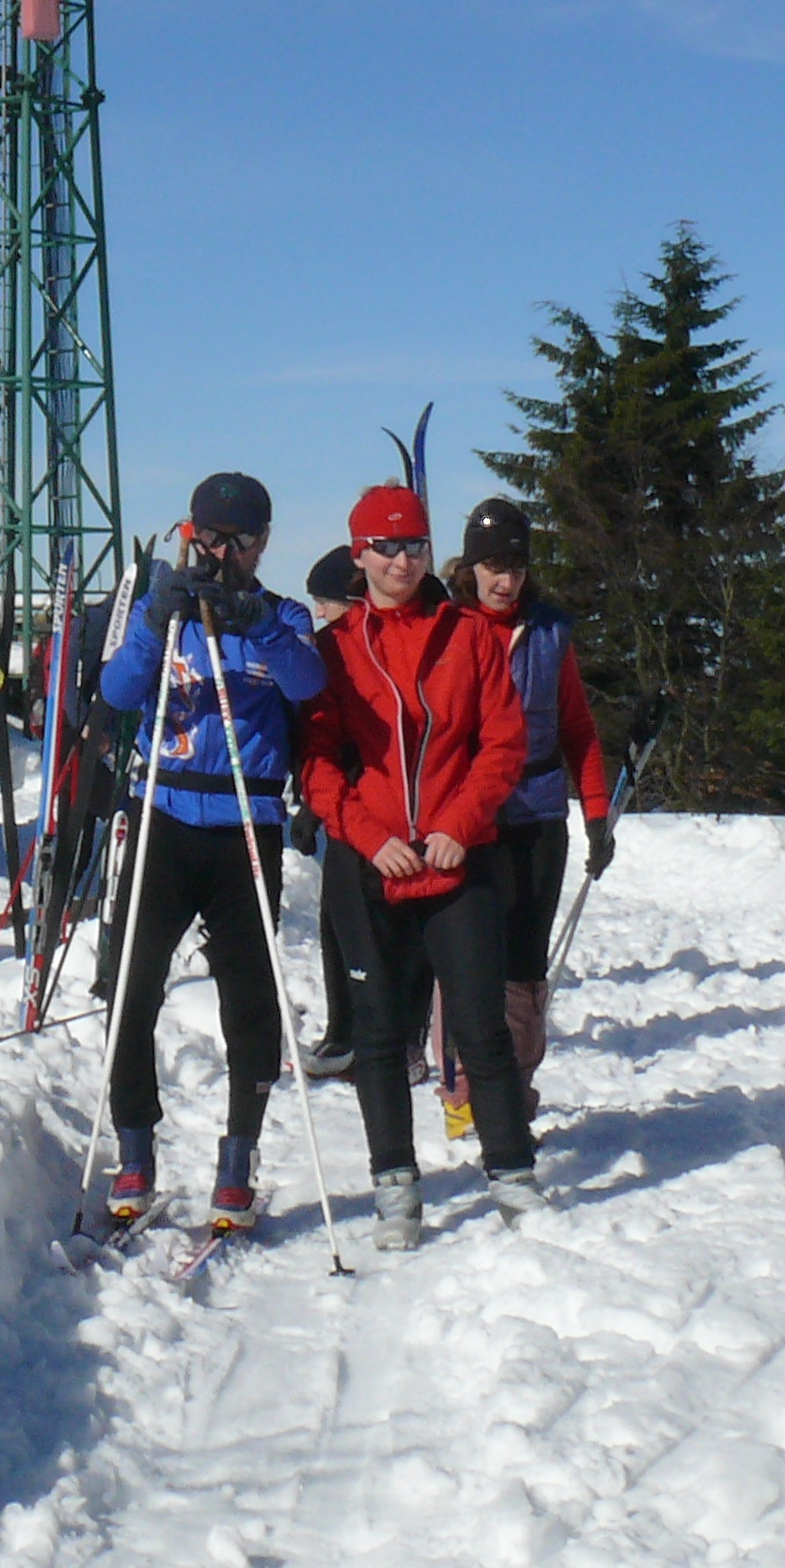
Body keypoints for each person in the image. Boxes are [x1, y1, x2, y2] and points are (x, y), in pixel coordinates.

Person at [299, 482, 534, 1252]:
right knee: (376, 1031)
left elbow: (502, 744)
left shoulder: (468, 635)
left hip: (457, 858)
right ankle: (394, 1185)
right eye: (386, 548)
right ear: (359, 553)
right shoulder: (335, 649)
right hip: (371, 864)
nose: (401, 563)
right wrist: (369, 837)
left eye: (414, 547)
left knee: (479, 1025)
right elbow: (318, 764)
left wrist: (459, 825)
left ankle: (512, 1173)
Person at [94, 473, 326, 1232]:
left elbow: (307, 682)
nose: (222, 553)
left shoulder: (283, 615)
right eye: (209, 538)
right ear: (189, 535)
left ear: (262, 543)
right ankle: (134, 1145)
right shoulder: (163, 612)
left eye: (239, 540)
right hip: (164, 815)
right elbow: (118, 692)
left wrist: (258, 625)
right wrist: (153, 623)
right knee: (130, 985)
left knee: (249, 999)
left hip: (244, 822)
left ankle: (238, 1156)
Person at [448, 498, 615, 1135]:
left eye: (516, 567)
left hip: (537, 814)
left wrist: (595, 812)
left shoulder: (548, 633)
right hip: (467, 816)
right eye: (494, 566)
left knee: (523, 965)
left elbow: (577, 727)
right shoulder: (448, 626)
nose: (506, 580)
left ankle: (513, 1092)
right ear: (471, 567)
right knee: (467, 961)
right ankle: (464, 1087)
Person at [295, 544, 368, 1081]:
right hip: (338, 805)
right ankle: (344, 1029)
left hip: (370, 808)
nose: (319, 612)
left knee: (359, 926)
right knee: (335, 921)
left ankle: (370, 1035)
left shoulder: (360, 650)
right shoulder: (328, 649)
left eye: (327, 601)